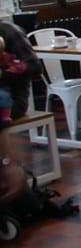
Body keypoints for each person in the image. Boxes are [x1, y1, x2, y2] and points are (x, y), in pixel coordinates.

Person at [0, 20, 43, 204]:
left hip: (12, 100)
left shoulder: (8, 31)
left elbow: (35, 67)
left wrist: (4, 74)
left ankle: (10, 169)